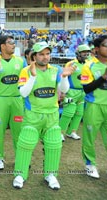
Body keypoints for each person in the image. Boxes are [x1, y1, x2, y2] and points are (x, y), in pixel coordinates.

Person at [12, 41, 75, 190]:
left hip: (52, 115)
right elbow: (23, 93)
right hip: (33, 115)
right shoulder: (26, 71)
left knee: (54, 145)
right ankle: (20, 175)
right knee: (26, 144)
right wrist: (33, 76)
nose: (45, 57)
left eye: (47, 54)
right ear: (34, 56)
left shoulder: (56, 69)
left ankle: (50, 175)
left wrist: (65, 77)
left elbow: (63, 89)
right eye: (41, 54)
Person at [0, 35, 25, 170]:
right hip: (1, 99)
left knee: (18, 131)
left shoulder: (20, 61)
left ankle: (20, 157)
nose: (14, 45)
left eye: (14, 42)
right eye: (10, 43)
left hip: (17, 100)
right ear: (2, 46)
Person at [81, 35, 107, 179]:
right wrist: (103, 77)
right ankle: (90, 164)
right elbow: (86, 89)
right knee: (89, 137)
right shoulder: (89, 65)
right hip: (94, 106)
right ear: (97, 49)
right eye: (106, 45)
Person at [59, 44, 91, 141]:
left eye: (87, 52)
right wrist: (63, 92)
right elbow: (64, 77)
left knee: (79, 113)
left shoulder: (89, 64)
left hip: (82, 92)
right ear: (78, 53)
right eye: (83, 52)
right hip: (71, 92)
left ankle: (72, 132)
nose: (86, 54)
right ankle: (60, 132)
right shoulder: (71, 64)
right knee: (68, 112)